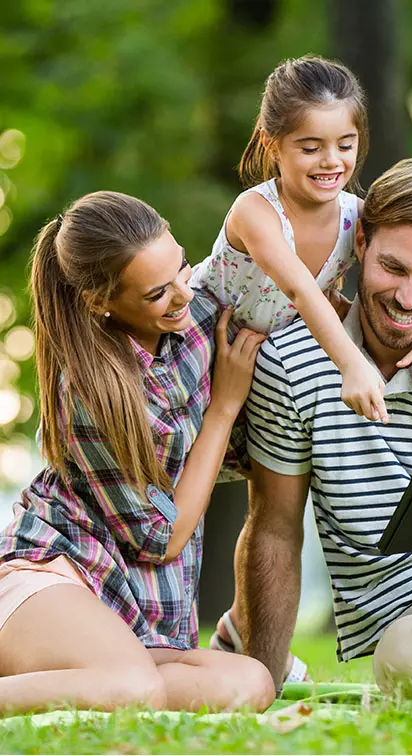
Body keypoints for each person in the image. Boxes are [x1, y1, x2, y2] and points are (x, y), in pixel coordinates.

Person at [221, 158, 412, 699]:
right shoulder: (289, 362)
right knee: (407, 651)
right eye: (394, 268)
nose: (409, 298)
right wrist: (262, 678)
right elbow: (274, 526)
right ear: (361, 244)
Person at [0, 191, 275, 715]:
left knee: (248, 683)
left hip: (123, 608)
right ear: (101, 301)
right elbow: (161, 538)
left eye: (181, 268)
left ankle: (91, 680)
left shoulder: (191, 314)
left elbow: (301, 251)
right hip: (53, 576)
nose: (183, 296)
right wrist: (222, 409)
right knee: (132, 688)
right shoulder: (91, 390)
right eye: (156, 294)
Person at [191, 55, 412, 427]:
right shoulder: (255, 212)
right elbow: (301, 291)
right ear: (274, 146)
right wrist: (352, 364)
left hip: (264, 362)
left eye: (345, 145)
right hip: (199, 345)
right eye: (310, 148)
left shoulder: (357, 217)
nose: (331, 161)